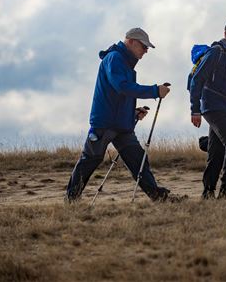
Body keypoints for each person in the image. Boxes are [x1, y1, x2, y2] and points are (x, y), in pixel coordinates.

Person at [66, 27, 172, 202]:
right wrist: (154, 90)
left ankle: (158, 197)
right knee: (90, 160)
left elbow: (121, 94)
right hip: (105, 122)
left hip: (122, 124)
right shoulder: (115, 58)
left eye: (147, 48)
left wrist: (133, 112)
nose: (146, 51)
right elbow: (122, 87)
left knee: (138, 160)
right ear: (130, 41)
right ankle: (71, 200)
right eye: (143, 46)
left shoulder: (124, 61)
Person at [189, 18, 226, 199]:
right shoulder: (217, 52)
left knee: (217, 151)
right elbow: (196, 80)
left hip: (225, 107)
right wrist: (195, 109)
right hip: (212, 105)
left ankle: (208, 192)